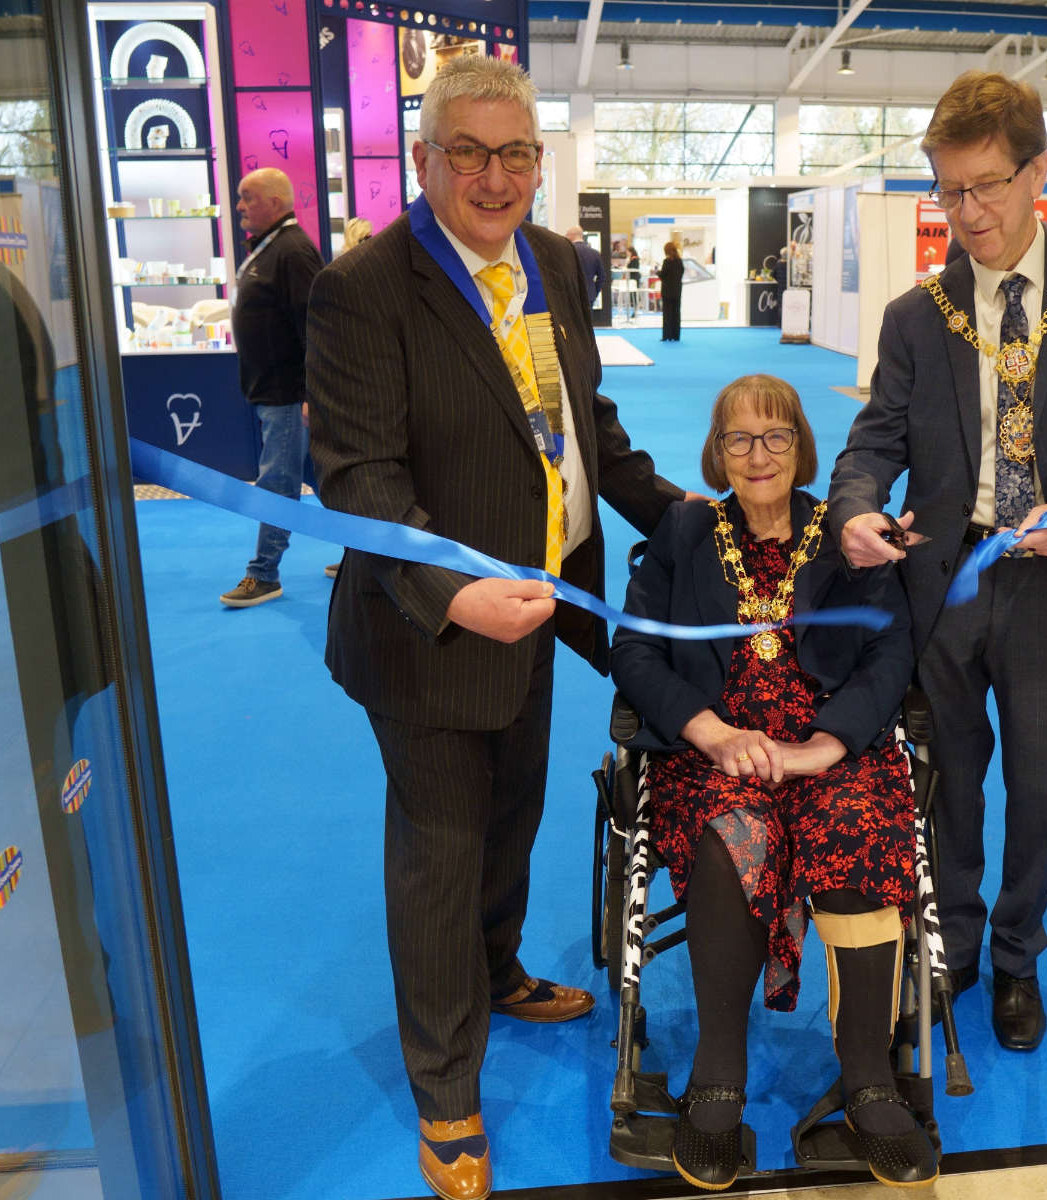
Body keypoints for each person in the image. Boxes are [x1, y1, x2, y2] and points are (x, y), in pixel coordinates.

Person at [304, 55, 688, 1200]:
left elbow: (587, 429)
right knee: (440, 849)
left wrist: (689, 521)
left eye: (514, 153)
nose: (493, 176)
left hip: (543, 610)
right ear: (425, 161)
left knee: (514, 810)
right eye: (466, 152)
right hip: (427, 634)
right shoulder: (365, 289)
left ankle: (500, 967)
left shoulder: (557, 266)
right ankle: (446, 1088)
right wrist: (449, 592)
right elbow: (358, 476)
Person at [826, 71, 1047, 1052]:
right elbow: (874, 440)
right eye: (950, 191)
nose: (968, 213)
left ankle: (1018, 957)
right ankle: (957, 941)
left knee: (1038, 785)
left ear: (1038, 174)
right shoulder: (916, 315)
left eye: (987, 187)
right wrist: (855, 508)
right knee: (949, 780)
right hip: (945, 586)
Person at [611, 374, 936, 1190]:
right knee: (732, 838)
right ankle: (719, 1074)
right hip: (716, 755)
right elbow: (634, 650)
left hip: (826, 750)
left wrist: (827, 746)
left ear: (802, 447)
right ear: (717, 452)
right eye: (738, 439)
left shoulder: (845, 536)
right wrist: (711, 731)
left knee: (858, 827)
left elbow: (891, 650)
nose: (757, 455)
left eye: (776, 437)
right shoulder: (685, 529)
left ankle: (866, 1075)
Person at [219, 166, 324, 608]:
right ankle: (369, 551)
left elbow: (315, 327)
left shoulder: (293, 252)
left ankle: (264, 573)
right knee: (324, 477)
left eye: (248, 197)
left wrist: (311, 394)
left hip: (287, 395)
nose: (240, 206)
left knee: (276, 485)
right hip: (273, 391)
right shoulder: (270, 248)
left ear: (276, 203)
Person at [565, 224, 602, 307]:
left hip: (571, 295)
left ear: (572, 235)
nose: (566, 237)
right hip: (589, 295)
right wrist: (594, 292)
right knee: (588, 319)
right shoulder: (595, 253)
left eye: (567, 234)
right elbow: (602, 276)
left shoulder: (566, 252)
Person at [659, 240, 684, 341]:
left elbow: (663, 275)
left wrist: (658, 273)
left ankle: (667, 336)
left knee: (667, 314)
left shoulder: (667, 262)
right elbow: (681, 273)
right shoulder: (679, 261)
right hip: (677, 291)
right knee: (676, 313)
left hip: (667, 292)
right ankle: (676, 335)